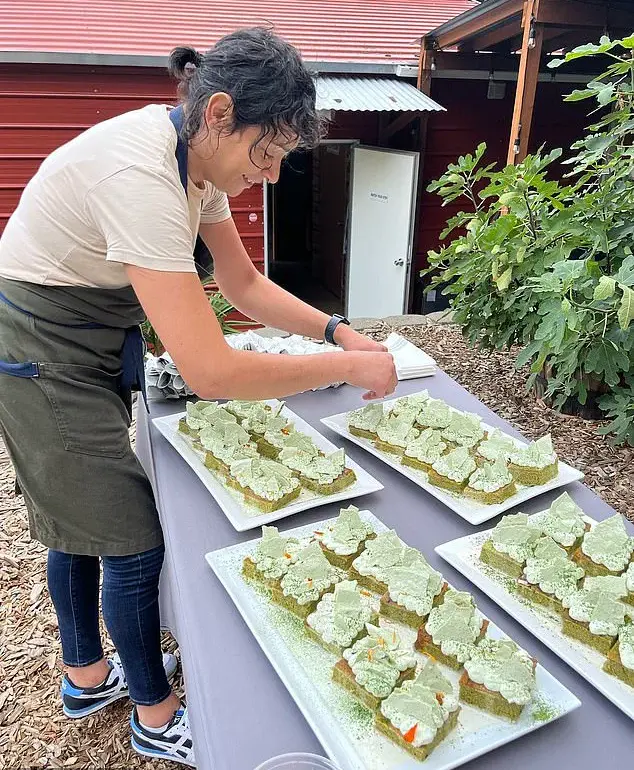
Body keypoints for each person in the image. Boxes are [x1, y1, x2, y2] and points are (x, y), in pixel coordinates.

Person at [0, 27, 396, 768]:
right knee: (125, 531)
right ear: (219, 113)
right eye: (266, 154)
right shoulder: (140, 176)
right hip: (40, 345)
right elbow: (211, 372)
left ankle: (86, 677)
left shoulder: (196, 161)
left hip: (87, 331)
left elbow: (242, 284)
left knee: (75, 512)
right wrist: (343, 370)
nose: (271, 175)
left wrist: (338, 331)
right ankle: (154, 716)